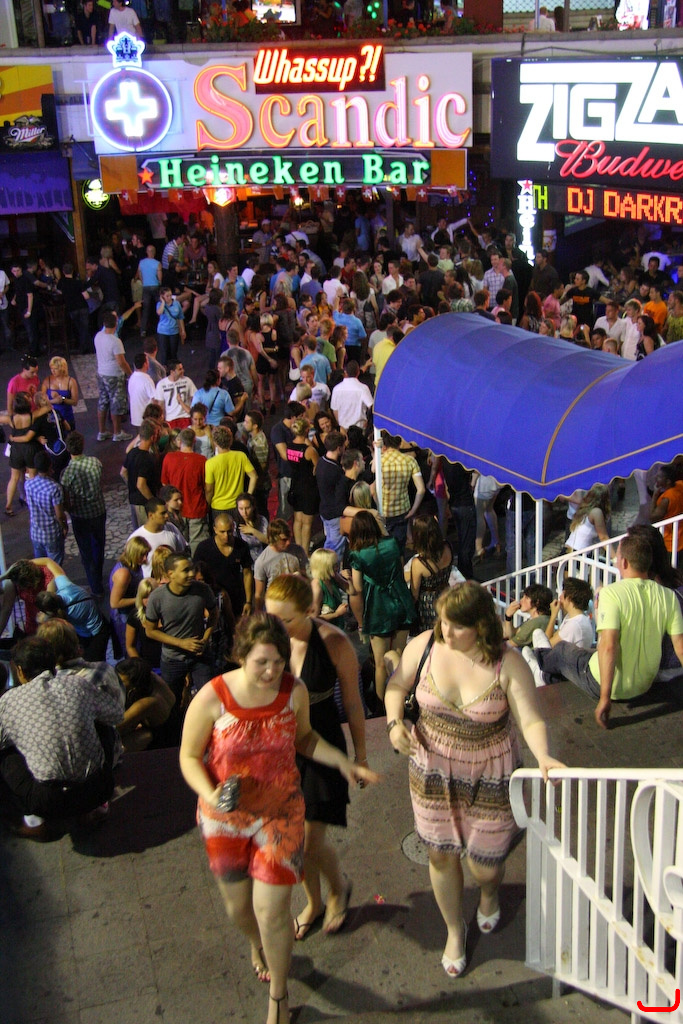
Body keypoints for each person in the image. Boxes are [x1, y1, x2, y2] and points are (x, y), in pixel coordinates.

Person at [179, 614, 377, 1024]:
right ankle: (257, 943)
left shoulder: (294, 691)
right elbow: (189, 756)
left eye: (278, 662)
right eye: (261, 663)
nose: (271, 672)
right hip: (225, 819)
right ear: (241, 656)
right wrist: (211, 793)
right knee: (240, 911)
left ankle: (279, 995)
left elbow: (304, 738)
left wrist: (343, 762)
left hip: (280, 813)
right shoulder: (213, 697)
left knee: (272, 912)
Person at [384, 582, 564, 977]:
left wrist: (543, 755)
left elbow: (530, 719)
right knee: (440, 855)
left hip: (490, 773)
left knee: (486, 865)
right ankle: (454, 929)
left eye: (456, 625)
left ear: (480, 625)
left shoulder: (507, 663)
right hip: (432, 769)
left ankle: (488, 892)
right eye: (442, 621)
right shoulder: (426, 646)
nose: (445, 631)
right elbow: (397, 685)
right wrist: (395, 724)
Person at [265, 574, 368, 940]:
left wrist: (361, 756)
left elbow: (353, 703)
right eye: (271, 618)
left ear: (308, 611)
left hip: (321, 741)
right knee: (294, 842)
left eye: (285, 620)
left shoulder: (333, 642)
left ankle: (337, 889)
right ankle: (314, 902)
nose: (276, 628)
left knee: (308, 841)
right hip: (280, 748)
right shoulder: (267, 641)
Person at [532, 533, 683, 727]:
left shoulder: (611, 594)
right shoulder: (668, 596)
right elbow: (680, 645)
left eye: (617, 558)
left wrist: (605, 698)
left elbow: (608, 646)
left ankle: (541, 664)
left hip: (606, 683)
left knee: (561, 650)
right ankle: (548, 673)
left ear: (625, 562)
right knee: (581, 654)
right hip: (644, 684)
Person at [0, 636, 123, 841]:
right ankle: (88, 811)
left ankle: (24, 822)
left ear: (20, 670)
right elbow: (116, 715)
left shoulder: (9, 701)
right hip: (99, 788)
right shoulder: (77, 684)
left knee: (5, 753)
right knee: (102, 723)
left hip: (48, 801)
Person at [145, 553, 218, 736]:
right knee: (171, 704)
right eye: (185, 570)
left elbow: (214, 614)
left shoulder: (202, 590)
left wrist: (205, 639)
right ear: (171, 574)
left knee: (209, 697)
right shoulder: (157, 597)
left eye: (191, 569)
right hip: (172, 659)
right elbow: (150, 631)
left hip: (200, 656)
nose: (191, 574)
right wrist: (181, 643)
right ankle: (174, 738)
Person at [348, 511, 415, 701]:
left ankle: (382, 704)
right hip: (400, 601)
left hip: (378, 609)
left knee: (380, 663)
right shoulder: (392, 543)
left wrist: (361, 622)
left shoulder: (358, 555)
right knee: (400, 655)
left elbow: (357, 589)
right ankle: (404, 698)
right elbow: (400, 568)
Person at [60, 432, 106, 594]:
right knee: (99, 546)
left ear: (68, 448)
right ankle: (98, 577)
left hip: (80, 515)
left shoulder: (67, 473)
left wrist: (69, 509)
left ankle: (95, 585)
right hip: (98, 511)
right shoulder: (95, 462)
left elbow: (65, 499)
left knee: (86, 552)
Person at [195, 513, 254, 620]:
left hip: (236, 597)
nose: (226, 536)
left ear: (234, 528)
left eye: (229, 531)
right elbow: (196, 575)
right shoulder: (204, 548)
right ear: (215, 529)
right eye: (222, 532)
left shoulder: (241, 546)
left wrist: (248, 601)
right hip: (213, 597)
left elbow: (247, 573)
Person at [404, 515, 453, 634]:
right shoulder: (448, 547)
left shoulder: (419, 563)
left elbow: (414, 594)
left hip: (428, 606)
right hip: (446, 596)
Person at [116, 657, 175, 752]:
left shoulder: (146, 703)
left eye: (121, 683)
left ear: (134, 688)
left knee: (113, 747)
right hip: (170, 720)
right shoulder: (149, 676)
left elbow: (115, 728)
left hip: (162, 738)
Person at [94, 310, 133, 443]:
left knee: (103, 401)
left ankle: (102, 431)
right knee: (116, 403)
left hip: (101, 373)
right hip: (114, 375)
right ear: (116, 324)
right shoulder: (115, 341)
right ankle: (117, 432)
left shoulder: (98, 336)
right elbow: (121, 362)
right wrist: (130, 374)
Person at [24, 450, 68, 563]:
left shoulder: (28, 484)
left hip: (36, 533)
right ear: (50, 465)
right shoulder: (54, 488)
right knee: (54, 568)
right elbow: (59, 515)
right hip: (52, 534)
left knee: (40, 566)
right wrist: (64, 526)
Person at [205, 426, 258, 518]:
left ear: (215, 442)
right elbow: (254, 476)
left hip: (218, 507)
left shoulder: (210, 463)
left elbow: (209, 490)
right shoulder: (241, 456)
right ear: (231, 440)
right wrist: (247, 496)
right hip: (237, 506)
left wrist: (207, 505)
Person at [253, 519, 308, 609]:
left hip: (296, 600)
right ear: (273, 538)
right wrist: (258, 613)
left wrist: (300, 576)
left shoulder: (298, 551)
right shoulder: (262, 561)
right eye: (284, 540)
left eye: (289, 538)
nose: (288, 542)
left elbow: (308, 576)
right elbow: (259, 594)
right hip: (276, 603)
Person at [110, 536, 151, 655]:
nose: (145, 558)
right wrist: (140, 600)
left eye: (146, 554)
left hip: (131, 613)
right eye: (142, 555)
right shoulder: (124, 574)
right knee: (131, 647)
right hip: (123, 617)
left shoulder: (135, 565)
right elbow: (115, 603)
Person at [129, 497, 187, 577]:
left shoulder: (171, 528)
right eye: (162, 513)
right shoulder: (137, 537)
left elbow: (182, 551)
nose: (167, 516)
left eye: (166, 512)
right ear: (151, 515)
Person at [286, 417, 319, 556]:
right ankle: (304, 552)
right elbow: (317, 467)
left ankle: (298, 549)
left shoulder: (289, 446)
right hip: (308, 488)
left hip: (295, 485)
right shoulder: (309, 450)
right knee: (307, 523)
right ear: (306, 430)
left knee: (297, 519)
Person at [502, 584, 553, 648]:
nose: (521, 600)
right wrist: (508, 617)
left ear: (537, 602)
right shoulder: (540, 619)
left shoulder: (536, 623)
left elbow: (510, 644)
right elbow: (511, 635)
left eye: (526, 598)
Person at [565, 483, 610, 552]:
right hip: (579, 552)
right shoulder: (596, 512)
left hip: (570, 549)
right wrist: (615, 557)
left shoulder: (585, 509)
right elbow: (603, 537)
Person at [650, 463, 683, 552]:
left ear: (668, 481)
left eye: (659, 477)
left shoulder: (666, 499)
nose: (656, 478)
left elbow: (653, 518)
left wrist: (654, 496)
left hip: (670, 542)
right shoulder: (681, 484)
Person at [155, 360, 196, 430]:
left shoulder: (187, 381)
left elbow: (195, 398)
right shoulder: (161, 384)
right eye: (180, 369)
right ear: (172, 372)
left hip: (185, 417)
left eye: (182, 368)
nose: (183, 371)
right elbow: (160, 405)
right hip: (170, 419)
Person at [41, 357, 78, 432]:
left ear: (62, 368)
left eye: (55, 369)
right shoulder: (47, 381)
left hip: (67, 416)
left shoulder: (71, 382)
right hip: (52, 418)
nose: (53, 371)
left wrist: (63, 399)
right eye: (51, 368)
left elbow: (74, 402)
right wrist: (53, 401)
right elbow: (41, 401)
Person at [234, 493, 268, 565]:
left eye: (247, 508)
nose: (244, 512)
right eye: (241, 509)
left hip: (262, 560)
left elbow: (268, 540)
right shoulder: (235, 524)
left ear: (253, 507)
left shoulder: (262, 520)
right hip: (245, 562)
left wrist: (253, 531)